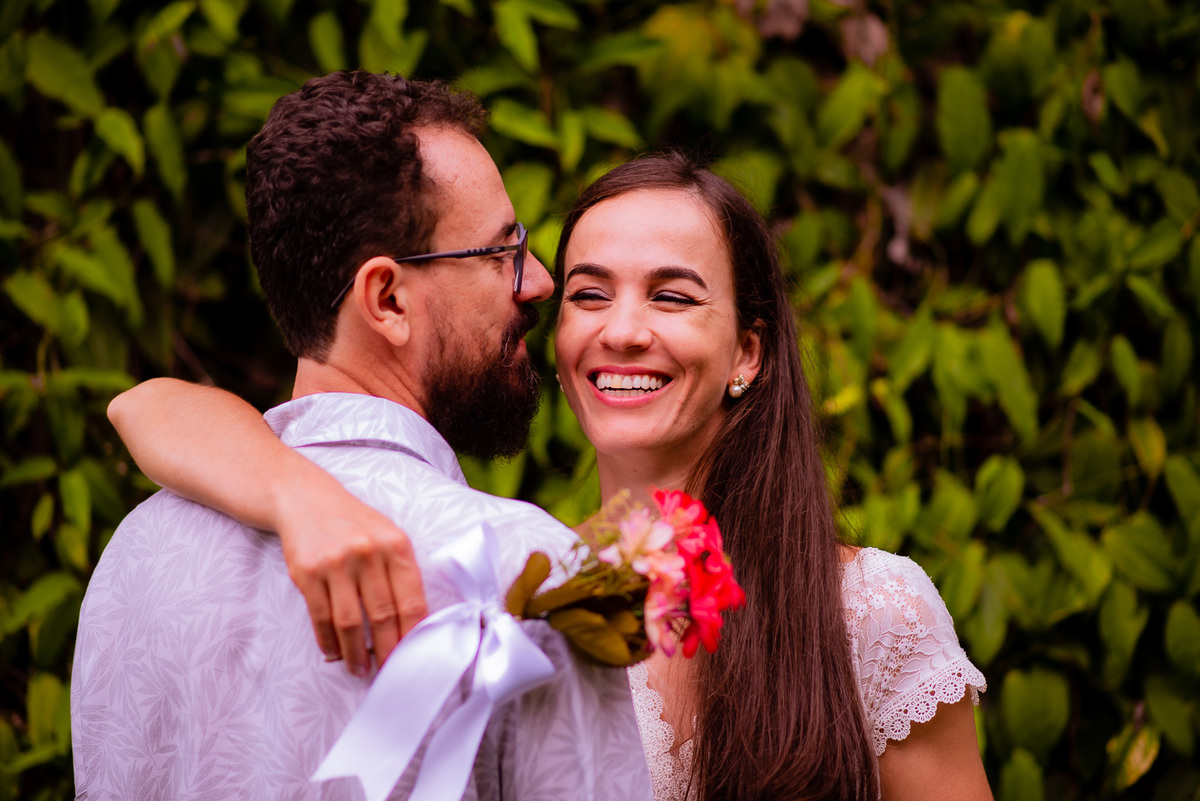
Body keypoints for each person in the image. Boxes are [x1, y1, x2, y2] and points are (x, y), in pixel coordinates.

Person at [108, 152, 993, 799]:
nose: (624, 330)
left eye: (674, 296)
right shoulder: (521, 583)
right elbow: (146, 406)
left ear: (747, 353)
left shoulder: (873, 611)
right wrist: (297, 494)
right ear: (556, 340)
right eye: (590, 292)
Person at [71, 71, 652, 801]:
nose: (536, 280)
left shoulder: (133, 553)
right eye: (502, 251)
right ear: (387, 299)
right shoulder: (521, 572)